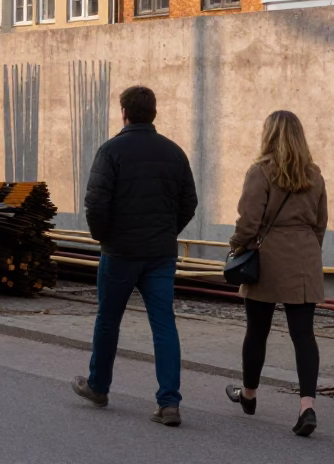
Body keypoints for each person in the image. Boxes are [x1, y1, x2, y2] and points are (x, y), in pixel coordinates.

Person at [73, 86, 198, 427]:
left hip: (120, 252)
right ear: (153, 113)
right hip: (160, 254)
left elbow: (95, 203)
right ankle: (169, 402)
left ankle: (99, 386)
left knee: (108, 319)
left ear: (124, 113)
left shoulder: (111, 151)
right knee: (164, 324)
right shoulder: (174, 153)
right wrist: (168, 232)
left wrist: (105, 237)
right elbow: (189, 201)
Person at [225, 111, 327, 437]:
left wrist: (236, 247)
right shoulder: (315, 174)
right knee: (304, 335)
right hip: (305, 256)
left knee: (257, 330)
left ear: (268, 135)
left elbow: (248, 222)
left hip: (267, 258)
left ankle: (249, 394)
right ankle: (307, 406)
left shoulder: (260, 172)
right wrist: (308, 249)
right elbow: (321, 223)